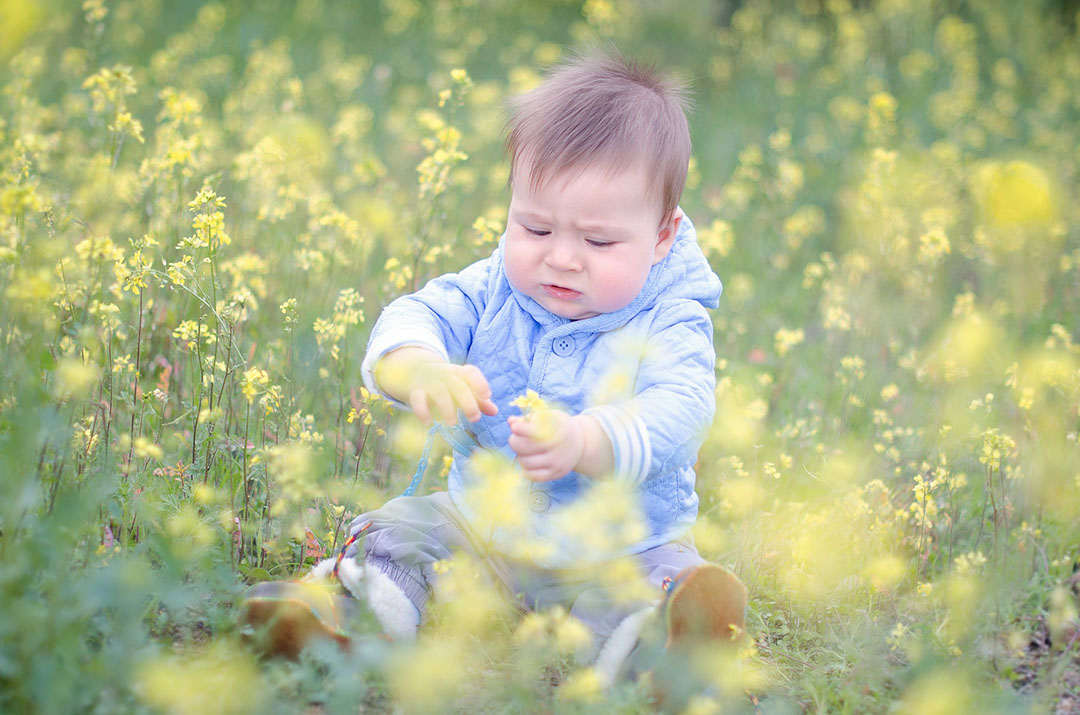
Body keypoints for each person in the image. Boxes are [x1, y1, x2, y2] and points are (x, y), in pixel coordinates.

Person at [244, 50, 746, 688]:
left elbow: (681, 408)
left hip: (621, 548)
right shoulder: (495, 287)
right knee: (401, 530)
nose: (562, 259)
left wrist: (589, 440)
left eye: (598, 242)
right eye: (535, 228)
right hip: (480, 524)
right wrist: (419, 368)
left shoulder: (672, 319)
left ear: (663, 236)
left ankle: (663, 647)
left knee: (651, 585)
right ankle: (342, 623)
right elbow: (417, 314)